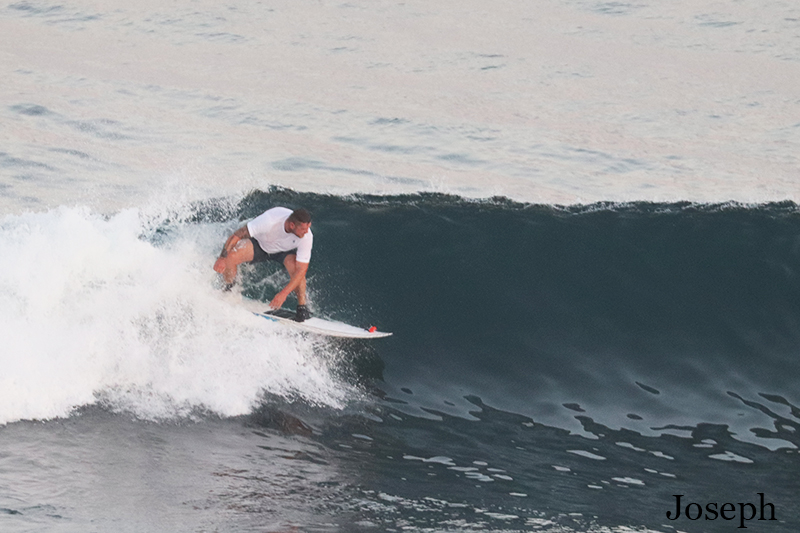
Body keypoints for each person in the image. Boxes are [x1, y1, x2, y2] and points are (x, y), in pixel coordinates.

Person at [213, 207, 313, 321]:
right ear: (292, 225)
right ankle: (229, 290)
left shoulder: (306, 236)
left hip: (284, 251)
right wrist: (222, 257)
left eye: (308, 227)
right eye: (303, 229)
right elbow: (237, 235)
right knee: (230, 257)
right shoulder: (269, 221)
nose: (306, 232)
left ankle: (302, 308)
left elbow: (301, 270)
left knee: (297, 271)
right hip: (260, 244)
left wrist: (283, 294)